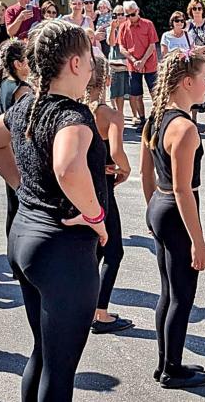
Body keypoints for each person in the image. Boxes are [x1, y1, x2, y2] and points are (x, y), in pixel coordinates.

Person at [0, 22, 108, 401]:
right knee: (60, 367)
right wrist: (96, 216)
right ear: (73, 64)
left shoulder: (27, 107)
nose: (92, 66)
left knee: (44, 352)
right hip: (60, 250)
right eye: (88, 58)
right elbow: (67, 168)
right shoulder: (72, 116)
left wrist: (22, 186)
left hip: (26, 237)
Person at [139, 50, 205, 389]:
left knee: (168, 292)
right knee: (182, 295)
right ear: (187, 82)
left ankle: (165, 362)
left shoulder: (155, 117)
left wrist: (151, 209)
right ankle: (172, 369)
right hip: (176, 209)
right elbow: (185, 190)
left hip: (160, 204)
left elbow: (145, 172)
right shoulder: (184, 128)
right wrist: (198, 242)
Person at [83, 55, 134, 334]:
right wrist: (125, 171)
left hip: (78, 186)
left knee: (92, 249)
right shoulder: (110, 114)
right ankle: (99, 311)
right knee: (113, 250)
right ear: (108, 81)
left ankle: (85, 305)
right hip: (103, 187)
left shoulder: (75, 111)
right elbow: (117, 153)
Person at [0, 40, 32, 237]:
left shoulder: (3, 84)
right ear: (18, 64)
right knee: (24, 202)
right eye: (27, 60)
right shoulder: (22, 90)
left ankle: (12, 246)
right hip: (20, 151)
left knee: (12, 203)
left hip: (6, 148)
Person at [116, 1, 159, 128]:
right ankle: (142, 120)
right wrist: (134, 60)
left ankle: (157, 119)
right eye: (127, 15)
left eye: (132, 14)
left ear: (138, 11)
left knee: (154, 93)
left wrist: (143, 61)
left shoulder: (148, 24)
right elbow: (121, 47)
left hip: (150, 64)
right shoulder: (124, 26)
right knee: (137, 94)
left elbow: (152, 45)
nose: (130, 17)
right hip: (133, 66)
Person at [106, 5, 129, 115]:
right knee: (115, 91)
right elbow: (111, 43)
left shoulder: (129, 27)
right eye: (116, 14)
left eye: (122, 14)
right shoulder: (110, 28)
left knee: (124, 92)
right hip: (114, 63)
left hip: (126, 62)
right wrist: (113, 28)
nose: (119, 17)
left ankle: (121, 114)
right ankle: (117, 113)